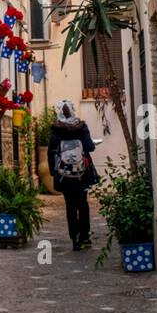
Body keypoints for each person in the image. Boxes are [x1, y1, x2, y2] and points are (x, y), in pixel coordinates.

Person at [48, 100, 98, 251]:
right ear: (72, 110)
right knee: (82, 204)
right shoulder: (81, 127)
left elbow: (51, 151)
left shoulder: (57, 129)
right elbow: (90, 146)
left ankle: (75, 239)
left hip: (64, 175)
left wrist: (53, 172)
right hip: (81, 174)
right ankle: (85, 236)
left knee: (70, 205)